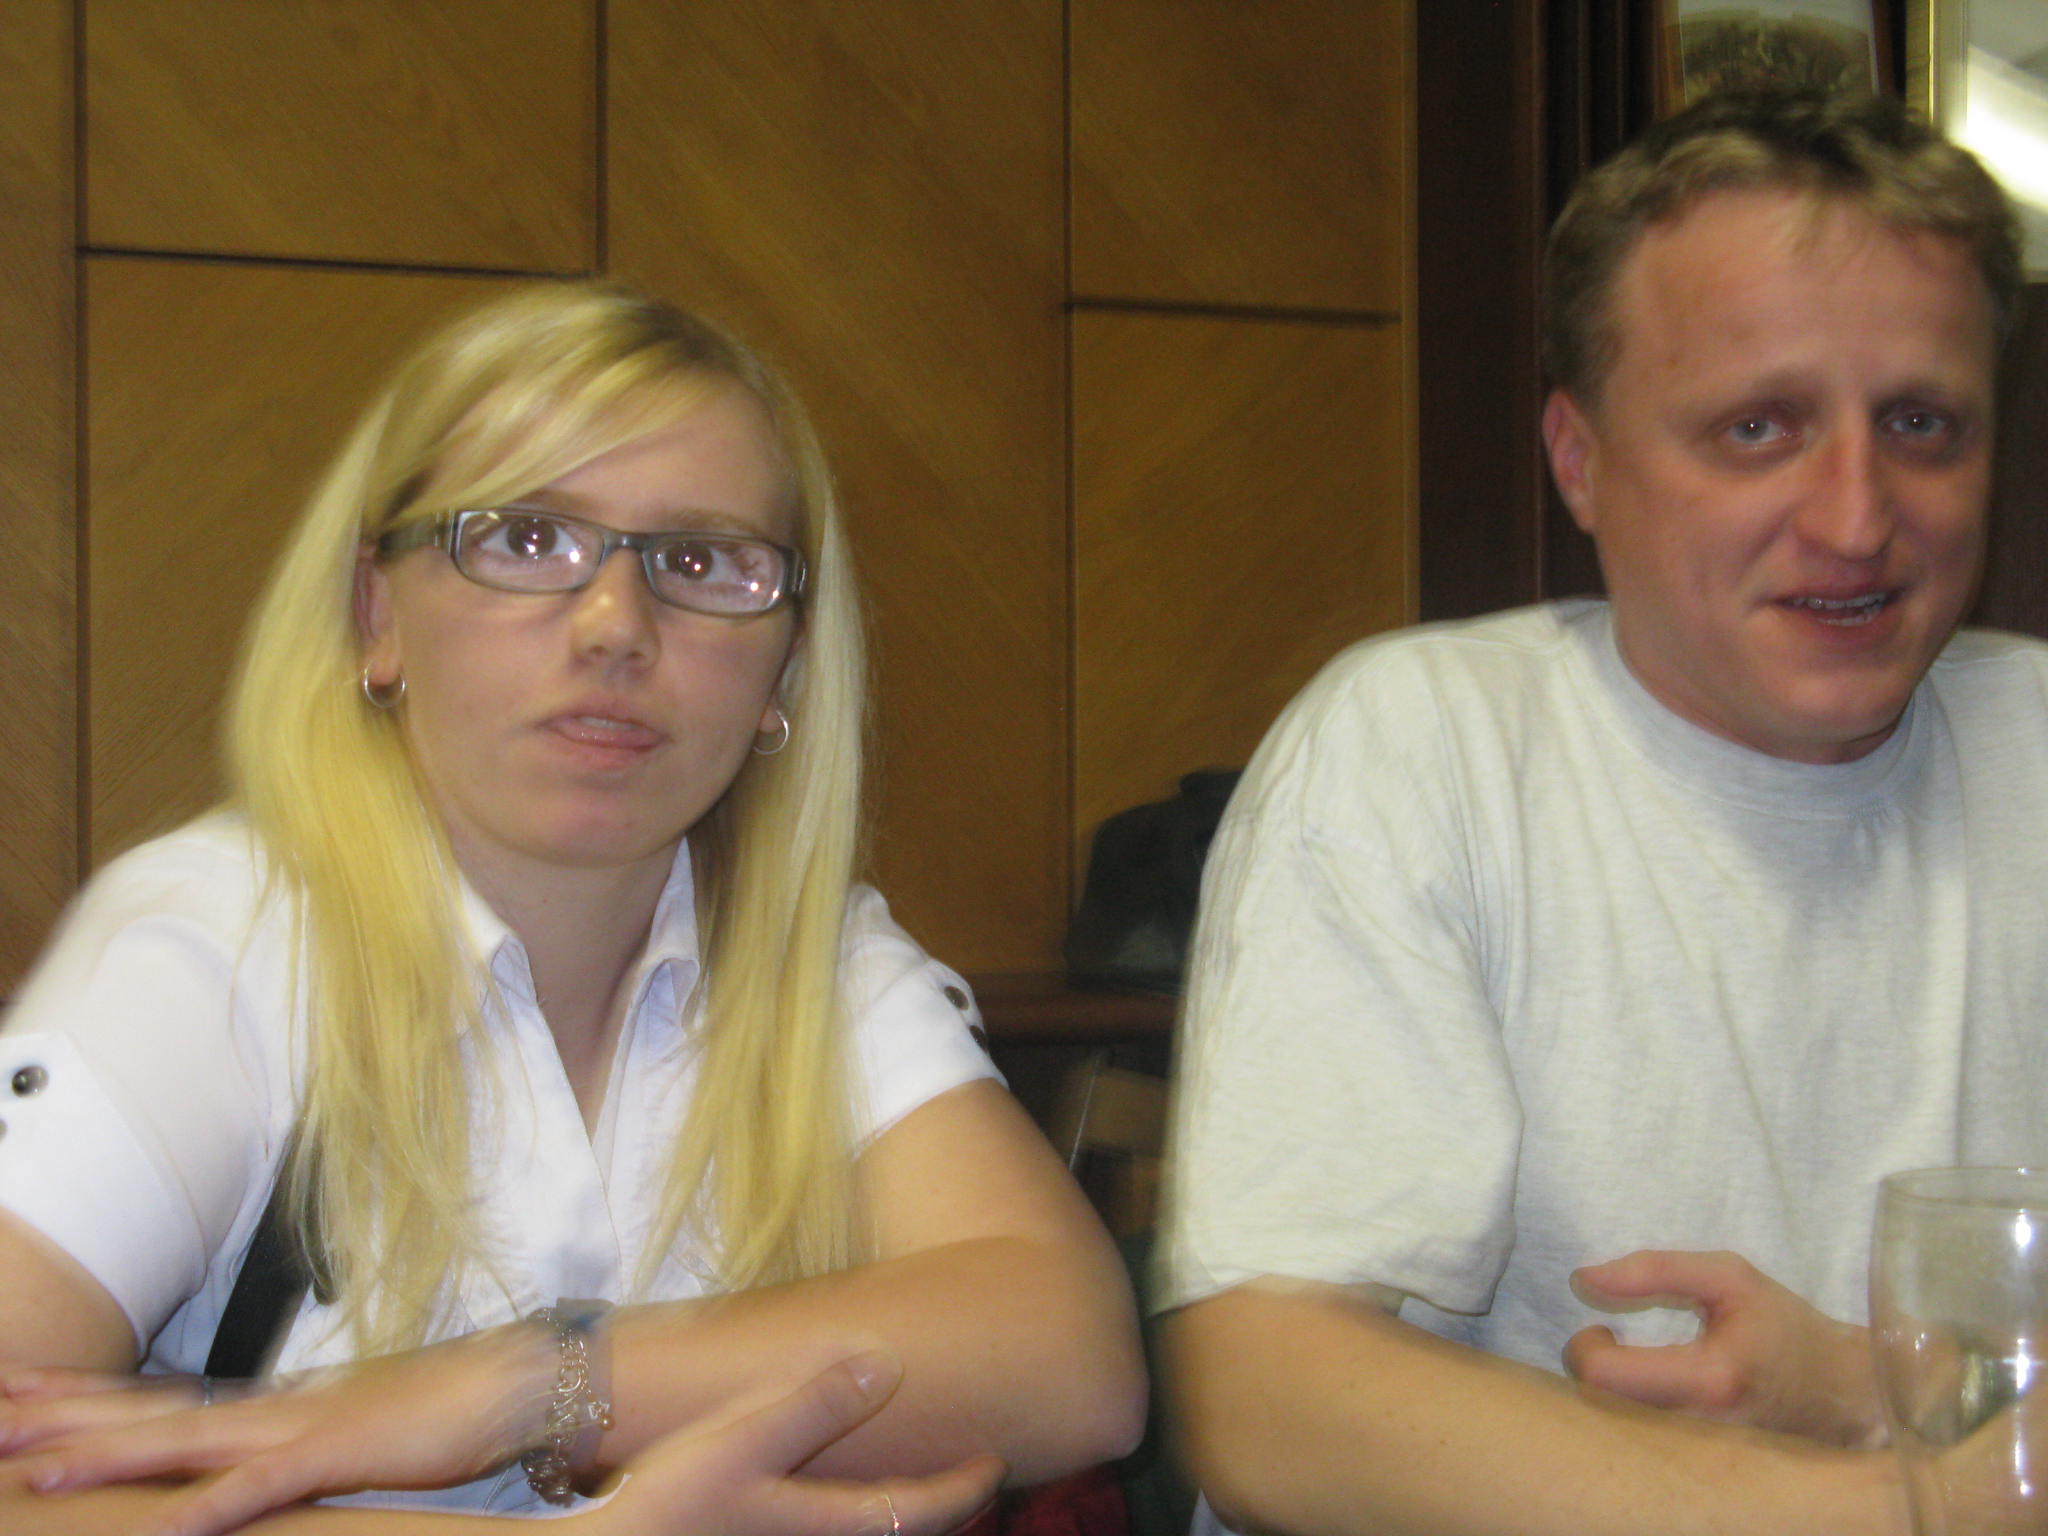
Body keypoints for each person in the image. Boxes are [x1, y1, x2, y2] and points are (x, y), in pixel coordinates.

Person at [0, 281, 1144, 1534]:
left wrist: (529, 1387)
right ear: (377, 616)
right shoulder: (217, 941)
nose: (615, 627)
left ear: (783, 666)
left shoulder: (807, 950)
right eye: (526, 540)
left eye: (700, 562)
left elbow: (1071, 1362)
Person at [1159, 88, 2044, 1536]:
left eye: (1921, 425)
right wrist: (1921, 1504)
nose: (1855, 517)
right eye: (1756, 428)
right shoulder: (1424, 751)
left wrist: (1862, 1385)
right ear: (1579, 462)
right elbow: (1270, 1403)